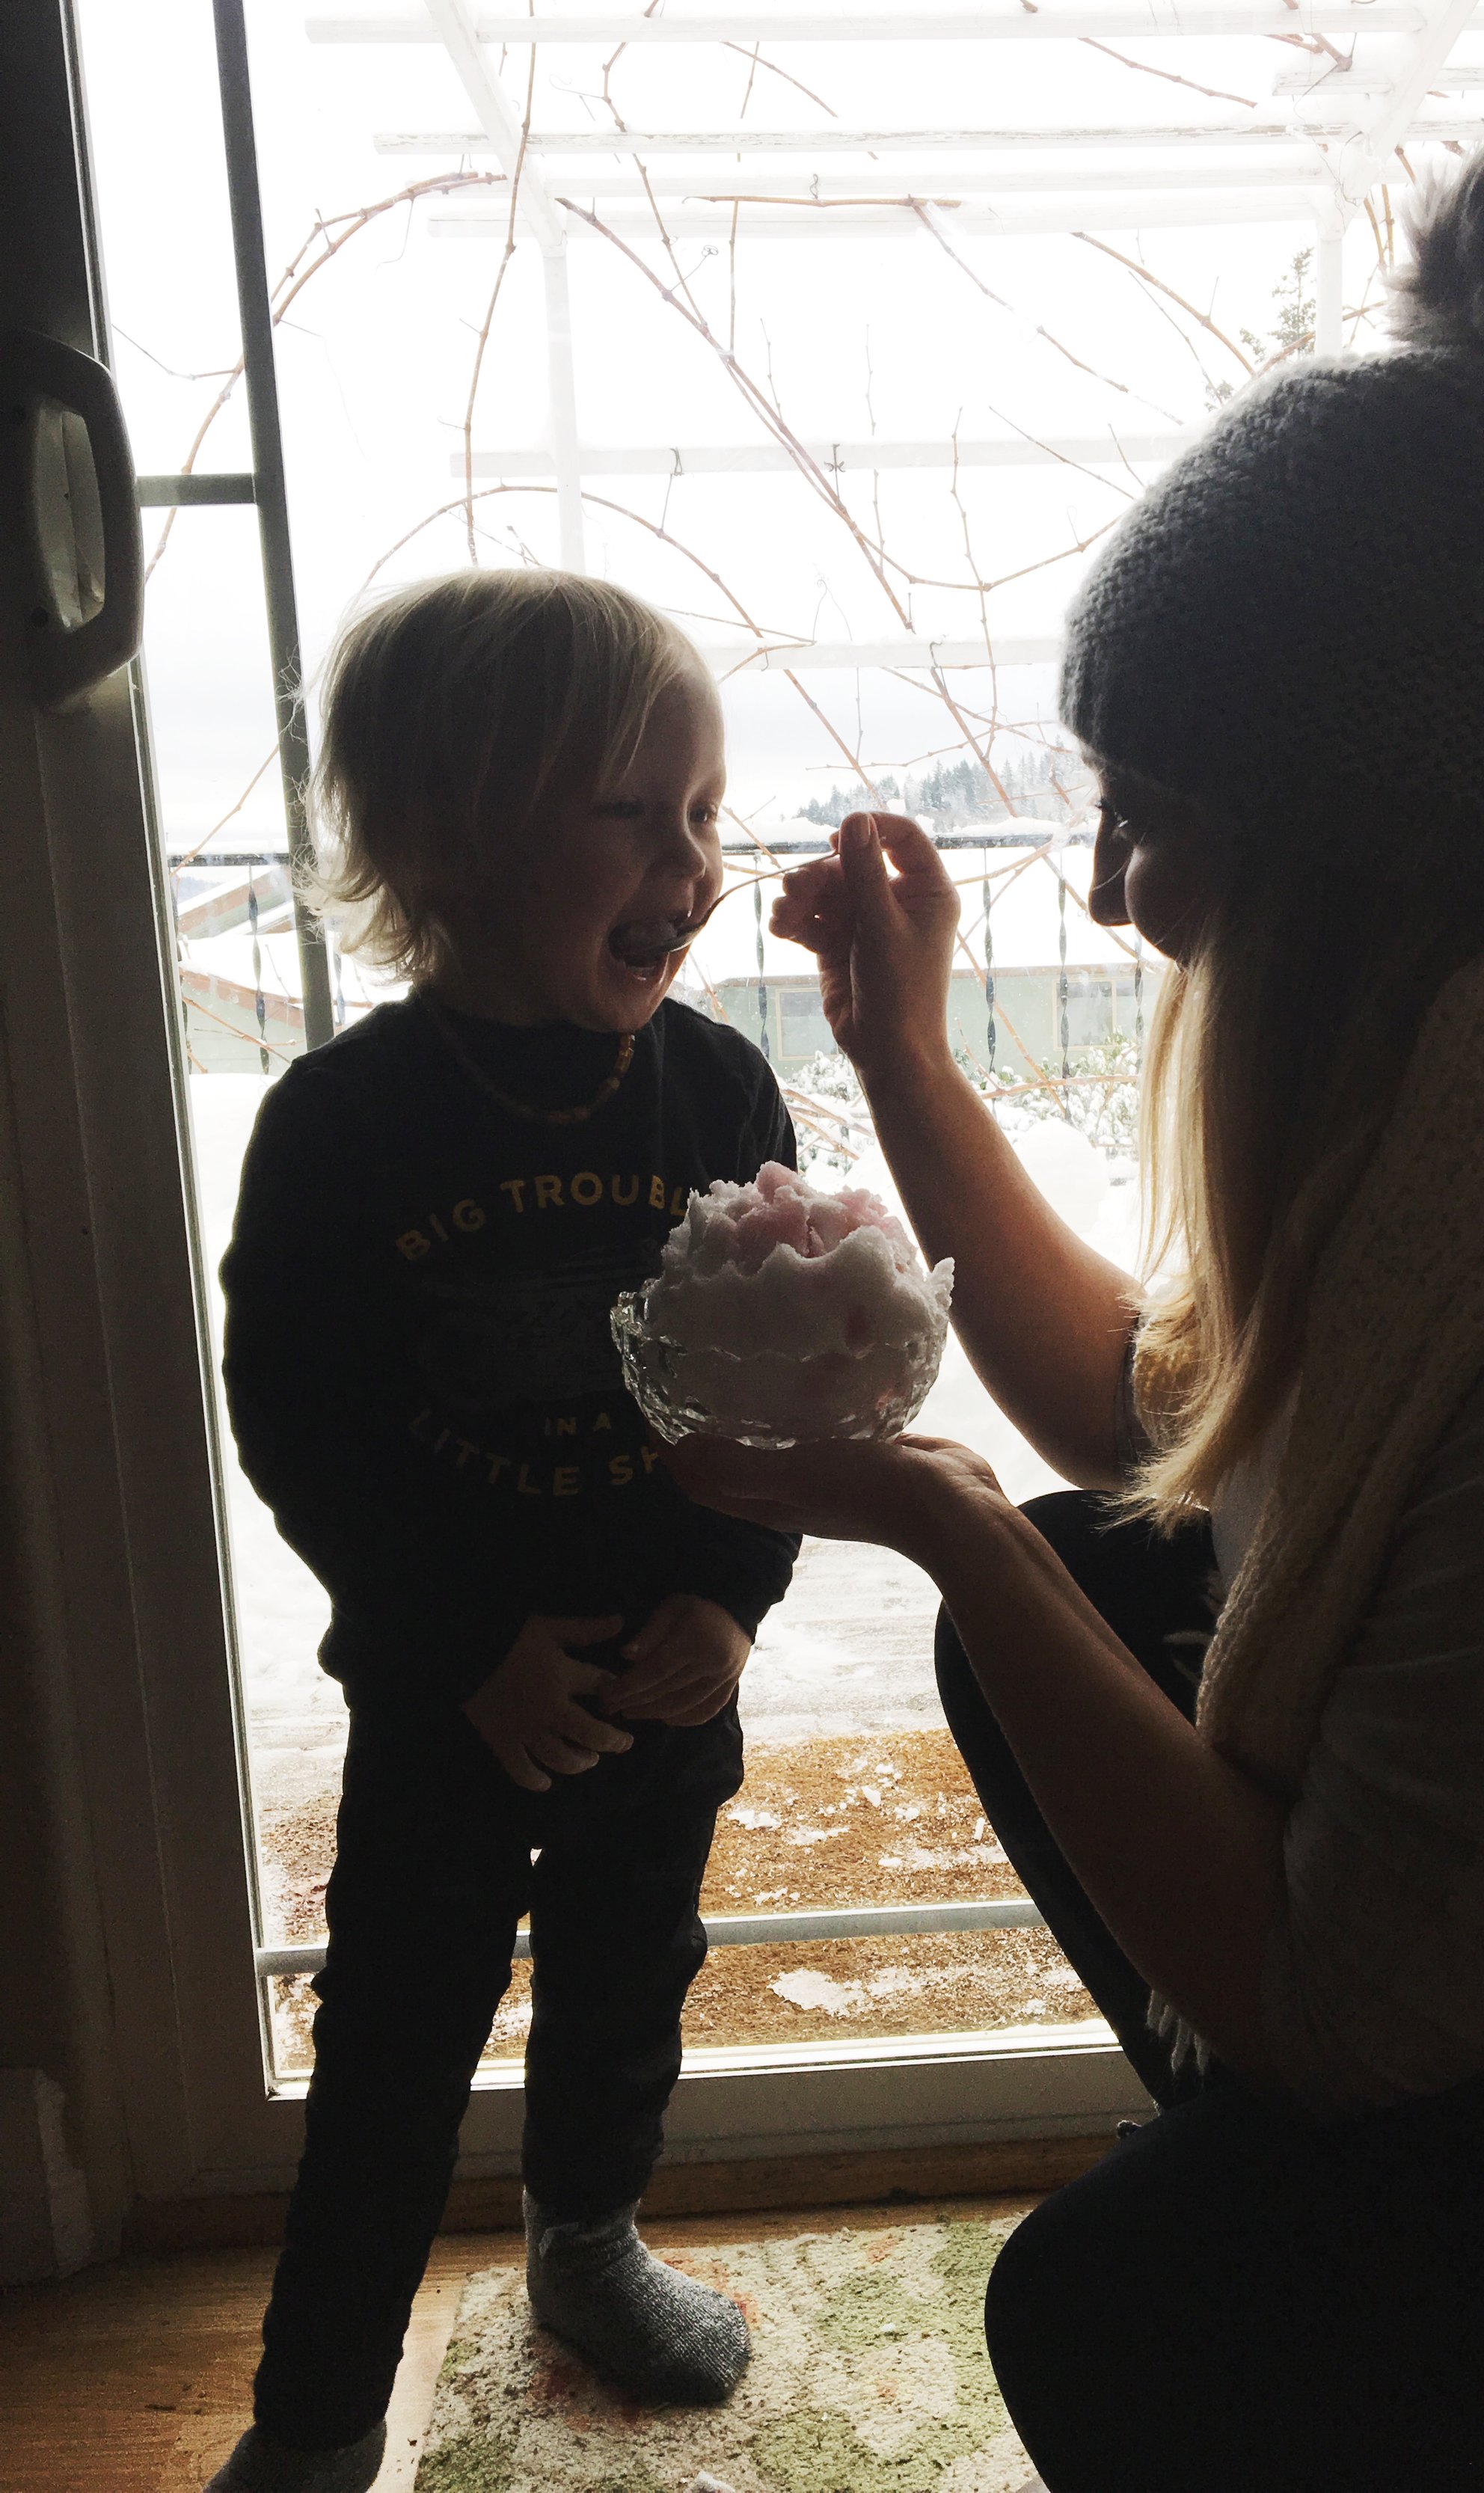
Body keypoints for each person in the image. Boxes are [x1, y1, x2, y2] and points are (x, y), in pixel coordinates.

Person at [668, 127, 1484, 2490]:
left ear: (1355, 845)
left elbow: (1344, 2003)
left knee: (1118, 2300)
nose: (1109, 883)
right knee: (1087, 1589)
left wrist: (937, 1516)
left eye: (1153, 809)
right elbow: (1156, 1423)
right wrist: (904, 1054)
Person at [208, 573, 799, 2493]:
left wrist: (732, 1595)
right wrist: (463, 1644)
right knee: (393, 2046)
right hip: (450, 1688)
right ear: (448, 835)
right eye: (633, 811)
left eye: (703, 811)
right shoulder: (342, 1124)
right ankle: (314, 2414)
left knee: (628, 1983)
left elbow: (772, 1384)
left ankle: (584, 2239)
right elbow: (300, 1421)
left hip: (660, 1662)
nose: (690, 863)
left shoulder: (714, 1086)